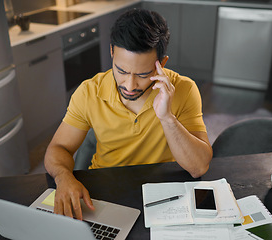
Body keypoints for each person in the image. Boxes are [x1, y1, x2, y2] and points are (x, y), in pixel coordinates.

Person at [44, 8, 213, 220]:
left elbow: (198, 167)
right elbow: (58, 148)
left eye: (143, 74)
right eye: (121, 71)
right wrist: (63, 177)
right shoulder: (89, 92)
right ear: (112, 52)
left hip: (164, 197)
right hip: (104, 196)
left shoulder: (184, 89)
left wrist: (167, 117)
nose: (130, 85)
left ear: (162, 64)